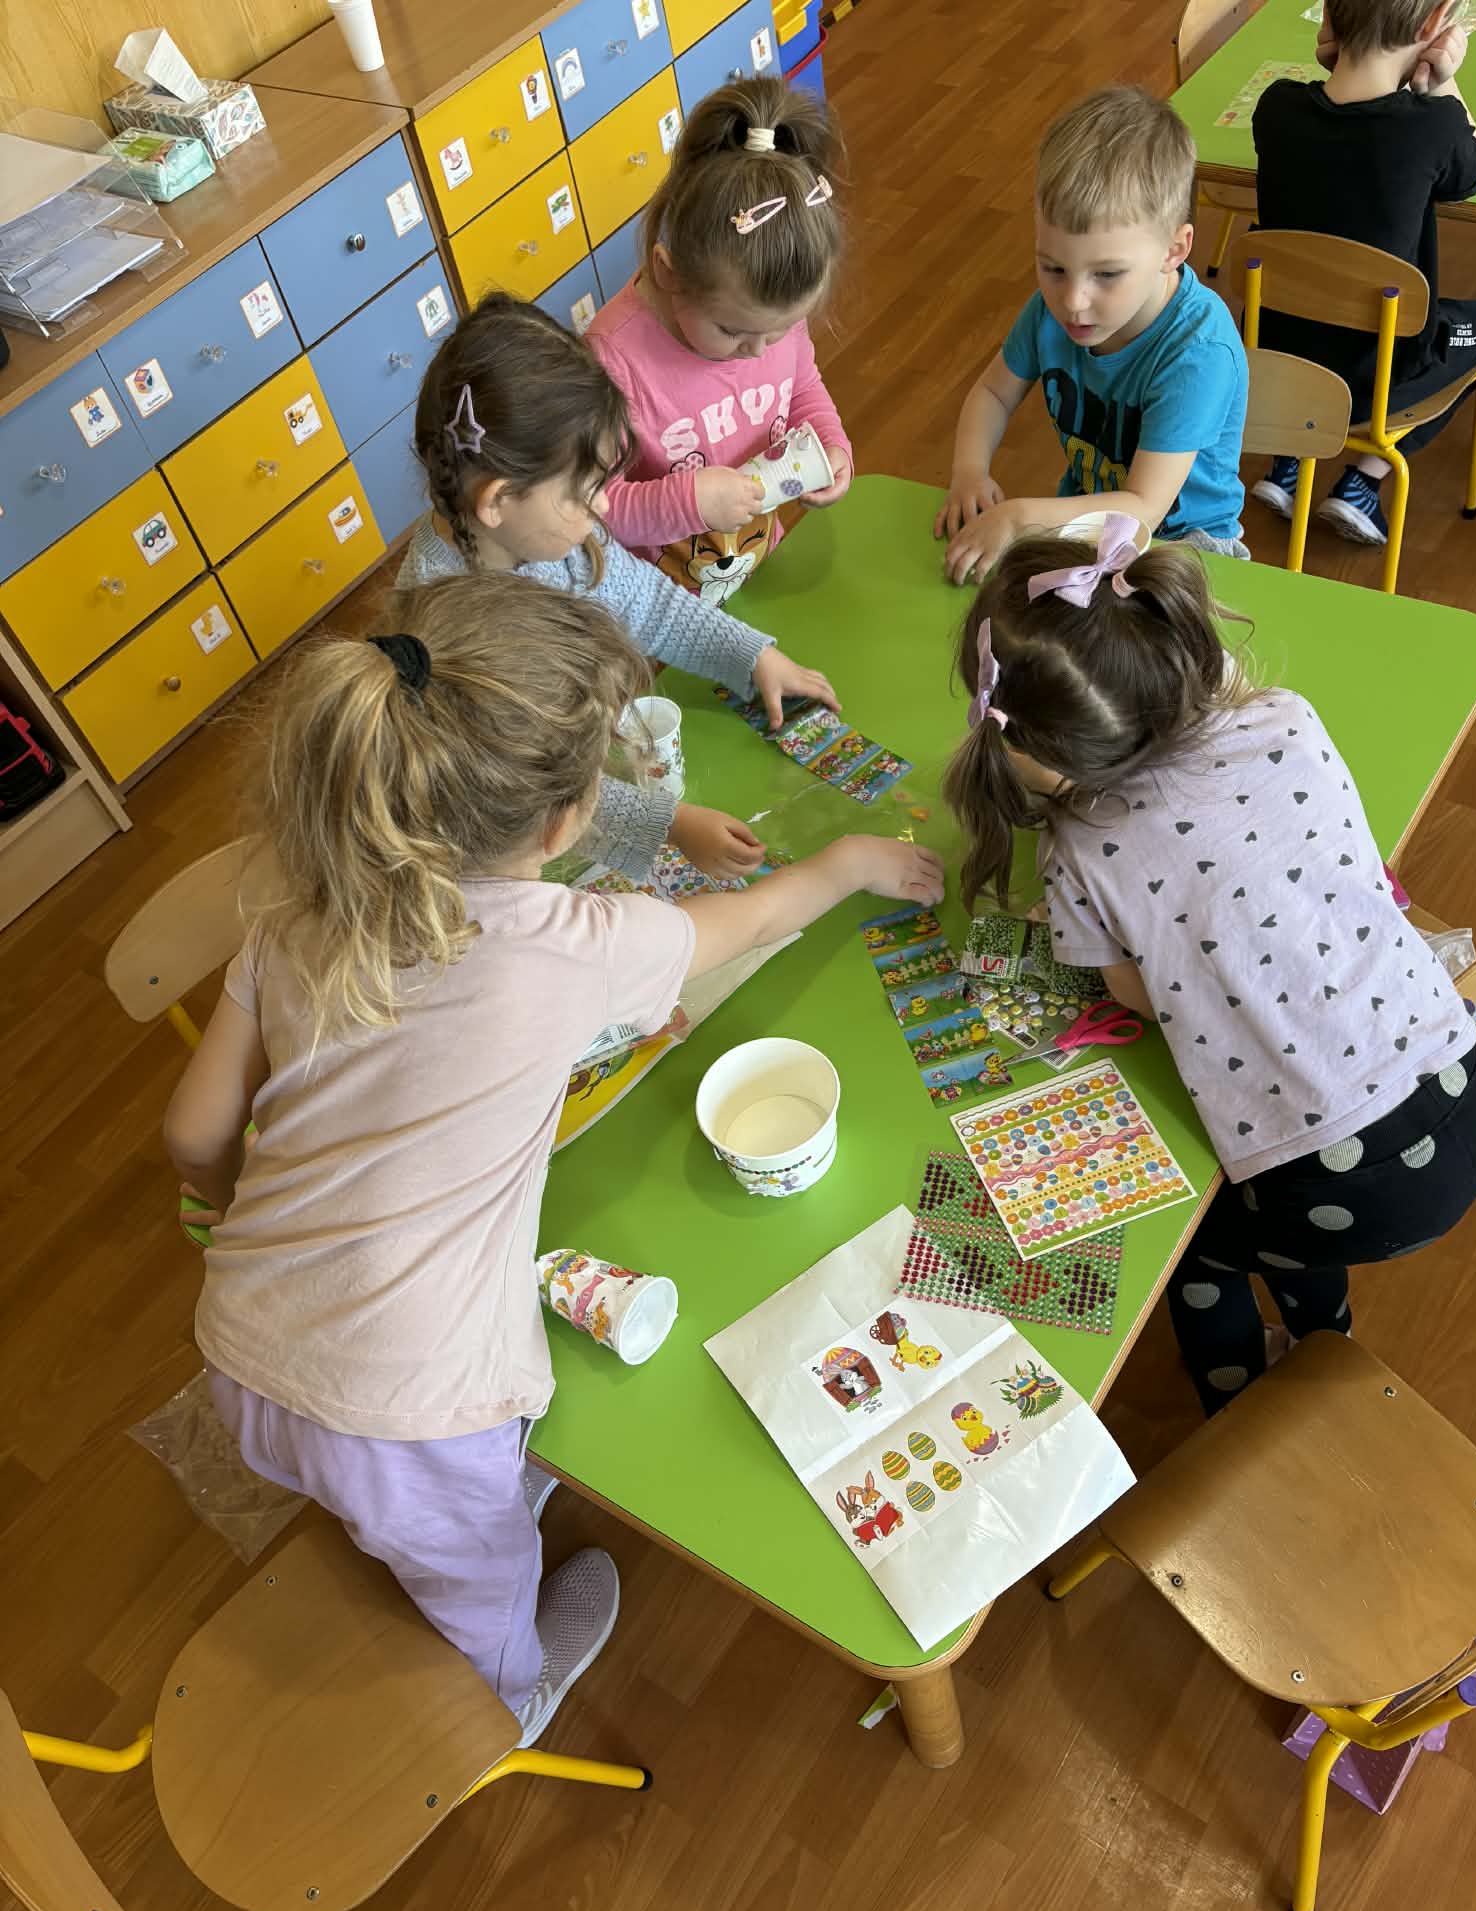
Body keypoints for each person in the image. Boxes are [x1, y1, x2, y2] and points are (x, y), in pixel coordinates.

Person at [164, 574, 943, 1745]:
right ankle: (515, 1688)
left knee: (406, 1492)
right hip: (409, 1412)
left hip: (237, 1343)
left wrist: (230, 1204)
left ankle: (446, 1505)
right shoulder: (570, 942)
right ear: (566, 821)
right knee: (477, 1567)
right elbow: (749, 920)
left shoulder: (297, 903)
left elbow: (192, 1132)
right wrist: (845, 865)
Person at [941, 516, 1476, 1414]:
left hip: (1349, 1187)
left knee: (1202, 1253)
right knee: (1291, 1228)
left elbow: (1136, 993)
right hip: (1472, 1087)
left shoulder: (1080, 845)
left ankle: (1239, 1403)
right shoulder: (1286, 715)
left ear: (1037, 748)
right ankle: (1324, 1339)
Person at [400, 293, 838, 884]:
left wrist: (750, 655)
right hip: (498, 855)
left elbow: (649, 604)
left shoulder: (548, 538)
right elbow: (525, 788)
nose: (605, 509)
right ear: (498, 500)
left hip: (573, 792)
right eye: (585, 493)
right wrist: (668, 825)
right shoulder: (449, 630)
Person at [937, 85, 1248, 586]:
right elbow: (993, 392)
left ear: (1174, 250)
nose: (1073, 300)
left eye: (1106, 275)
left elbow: (1143, 509)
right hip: (1088, 528)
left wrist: (1018, 517)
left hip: (1185, 552)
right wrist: (969, 471)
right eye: (1053, 268)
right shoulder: (1050, 312)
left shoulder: (1198, 352)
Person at [1250, 0, 1476, 547]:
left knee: (1323, 291)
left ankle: (1289, 459)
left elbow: (1341, 136)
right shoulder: (1433, 127)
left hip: (1281, 360)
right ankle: (1363, 483)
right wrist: (1444, 81)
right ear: (1435, 23)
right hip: (1380, 377)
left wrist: (1341, 59)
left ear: (1328, 16)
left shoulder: (1274, 109)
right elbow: (1474, 170)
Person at [585, 77, 852, 602]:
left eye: (781, 330)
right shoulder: (611, 359)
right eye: (733, 332)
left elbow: (802, 389)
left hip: (755, 568)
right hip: (660, 609)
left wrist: (830, 444)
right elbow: (593, 508)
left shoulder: (764, 316)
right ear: (669, 273)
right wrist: (689, 503)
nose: (759, 350)